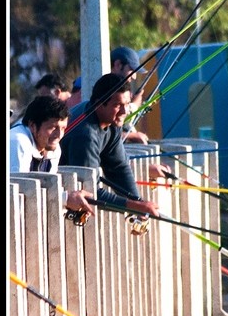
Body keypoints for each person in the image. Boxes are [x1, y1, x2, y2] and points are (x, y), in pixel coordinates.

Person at [59, 72, 162, 218]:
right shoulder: (86, 136)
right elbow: (90, 190)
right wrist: (135, 206)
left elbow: (118, 167)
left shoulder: (112, 122)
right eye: (118, 105)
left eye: (127, 104)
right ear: (99, 105)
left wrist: (137, 203)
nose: (124, 111)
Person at [9, 94, 96, 219]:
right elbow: (16, 193)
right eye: (53, 127)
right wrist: (66, 199)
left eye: (63, 128)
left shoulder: (53, 147)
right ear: (33, 125)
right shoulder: (17, 142)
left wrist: (70, 202)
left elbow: (48, 189)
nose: (59, 135)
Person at [110, 46, 149, 143]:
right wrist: (132, 135)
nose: (134, 77)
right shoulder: (102, 91)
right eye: (132, 70)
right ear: (118, 65)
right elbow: (103, 132)